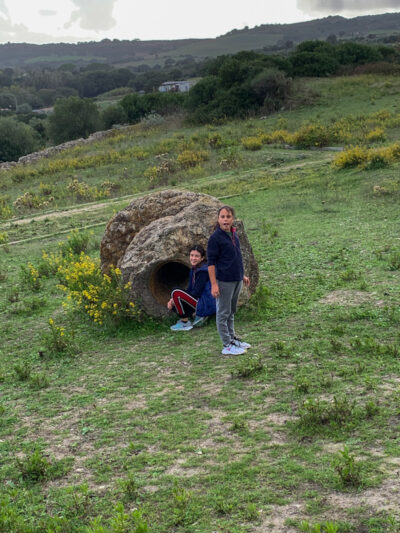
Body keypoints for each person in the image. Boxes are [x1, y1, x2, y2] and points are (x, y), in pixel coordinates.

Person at [207, 205, 251, 355]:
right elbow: (211, 263)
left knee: (231, 311)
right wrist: (214, 284)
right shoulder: (215, 238)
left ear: (233, 219)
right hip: (224, 281)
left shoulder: (234, 234)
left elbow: (236, 256)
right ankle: (227, 345)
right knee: (223, 313)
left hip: (236, 279)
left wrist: (242, 275)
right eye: (222, 217)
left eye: (228, 216)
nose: (225, 219)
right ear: (218, 219)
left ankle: (232, 339)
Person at [167, 245, 216, 331]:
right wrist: (173, 300)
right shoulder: (193, 270)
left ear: (202, 258)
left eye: (196, 256)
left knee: (176, 292)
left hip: (205, 303)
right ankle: (192, 316)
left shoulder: (203, 272)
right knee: (175, 303)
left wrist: (176, 298)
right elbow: (190, 289)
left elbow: (196, 293)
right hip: (198, 301)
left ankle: (185, 323)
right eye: (191, 255)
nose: (193, 258)